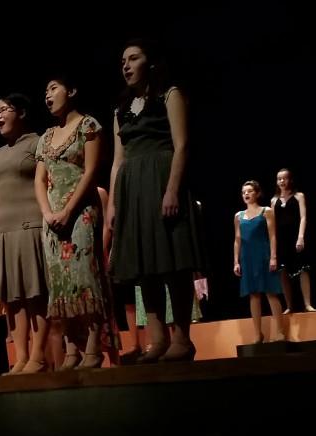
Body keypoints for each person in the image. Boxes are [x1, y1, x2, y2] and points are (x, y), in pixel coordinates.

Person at [108, 38, 202, 363]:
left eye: (133, 58)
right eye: (123, 61)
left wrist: (172, 189)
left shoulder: (168, 95)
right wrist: (112, 205)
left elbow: (182, 144)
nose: (126, 65)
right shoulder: (120, 109)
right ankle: (158, 338)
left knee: (171, 261)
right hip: (131, 188)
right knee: (144, 265)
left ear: (149, 63)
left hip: (161, 178)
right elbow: (117, 161)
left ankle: (182, 338)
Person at [36, 76, 111, 370]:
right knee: (60, 283)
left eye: (53, 87)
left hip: (80, 212)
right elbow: (39, 180)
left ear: (73, 90)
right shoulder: (45, 137)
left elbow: (90, 172)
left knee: (84, 277)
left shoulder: (88, 126)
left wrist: (68, 210)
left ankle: (93, 347)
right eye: (45, 90)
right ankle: (71, 350)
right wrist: (48, 212)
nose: (48, 94)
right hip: (52, 218)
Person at [0, 93, 49, 374]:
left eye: (3, 110)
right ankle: (20, 357)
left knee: (35, 295)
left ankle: (38, 356)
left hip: (30, 226)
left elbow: (47, 182)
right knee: (13, 298)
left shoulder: (37, 142)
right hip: (3, 232)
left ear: (21, 113)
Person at [234, 181, 286, 343]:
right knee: (253, 295)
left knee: (271, 292)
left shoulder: (266, 211)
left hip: (263, 255)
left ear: (257, 193)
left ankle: (280, 331)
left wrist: (273, 257)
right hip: (247, 258)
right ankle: (258, 334)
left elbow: (272, 236)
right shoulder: (238, 216)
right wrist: (236, 261)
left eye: (249, 191)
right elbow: (237, 240)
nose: (246, 194)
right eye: (244, 192)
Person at [271, 168, 316, 313]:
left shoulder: (298, 196)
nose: (282, 181)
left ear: (290, 180)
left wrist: (301, 237)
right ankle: (289, 305)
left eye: (284, 178)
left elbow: (303, 217)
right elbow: (272, 223)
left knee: (303, 269)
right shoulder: (274, 200)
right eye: (279, 179)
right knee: (283, 271)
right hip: (281, 239)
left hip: (296, 236)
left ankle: (307, 304)